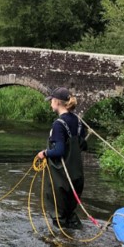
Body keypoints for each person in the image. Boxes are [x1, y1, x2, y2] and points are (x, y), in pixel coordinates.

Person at [37, 87, 87, 229]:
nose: (50, 104)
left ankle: (61, 245)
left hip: (62, 179)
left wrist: (44, 153)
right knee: (70, 214)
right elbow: (83, 145)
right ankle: (72, 243)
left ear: (57, 102)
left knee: (59, 218)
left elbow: (59, 151)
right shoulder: (78, 122)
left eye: (51, 101)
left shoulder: (58, 125)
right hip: (77, 177)